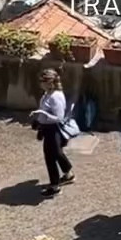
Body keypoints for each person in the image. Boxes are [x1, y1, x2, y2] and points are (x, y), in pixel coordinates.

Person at [31, 68, 74, 196]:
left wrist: (41, 114)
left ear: (49, 82)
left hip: (54, 129)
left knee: (50, 157)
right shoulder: (47, 94)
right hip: (47, 128)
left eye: (42, 81)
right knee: (57, 153)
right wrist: (39, 123)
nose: (40, 83)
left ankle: (55, 186)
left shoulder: (55, 97)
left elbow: (58, 117)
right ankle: (68, 174)